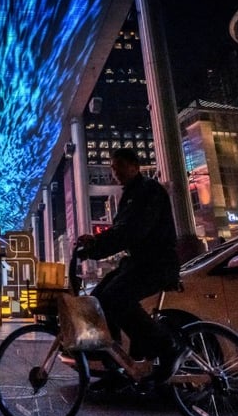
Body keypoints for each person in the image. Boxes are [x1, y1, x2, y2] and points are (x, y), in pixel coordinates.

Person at [76, 148, 183, 391]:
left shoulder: (148, 191)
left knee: (117, 299)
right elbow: (122, 231)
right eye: (113, 168)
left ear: (135, 165)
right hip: (139, 263)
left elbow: (131, 230)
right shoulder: (131, 194)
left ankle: (167, 346)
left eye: (120, 166)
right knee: (98, 300)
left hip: (157, 263)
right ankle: (116, 365)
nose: (116, 172)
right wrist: (94, 245)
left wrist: (97, 247)